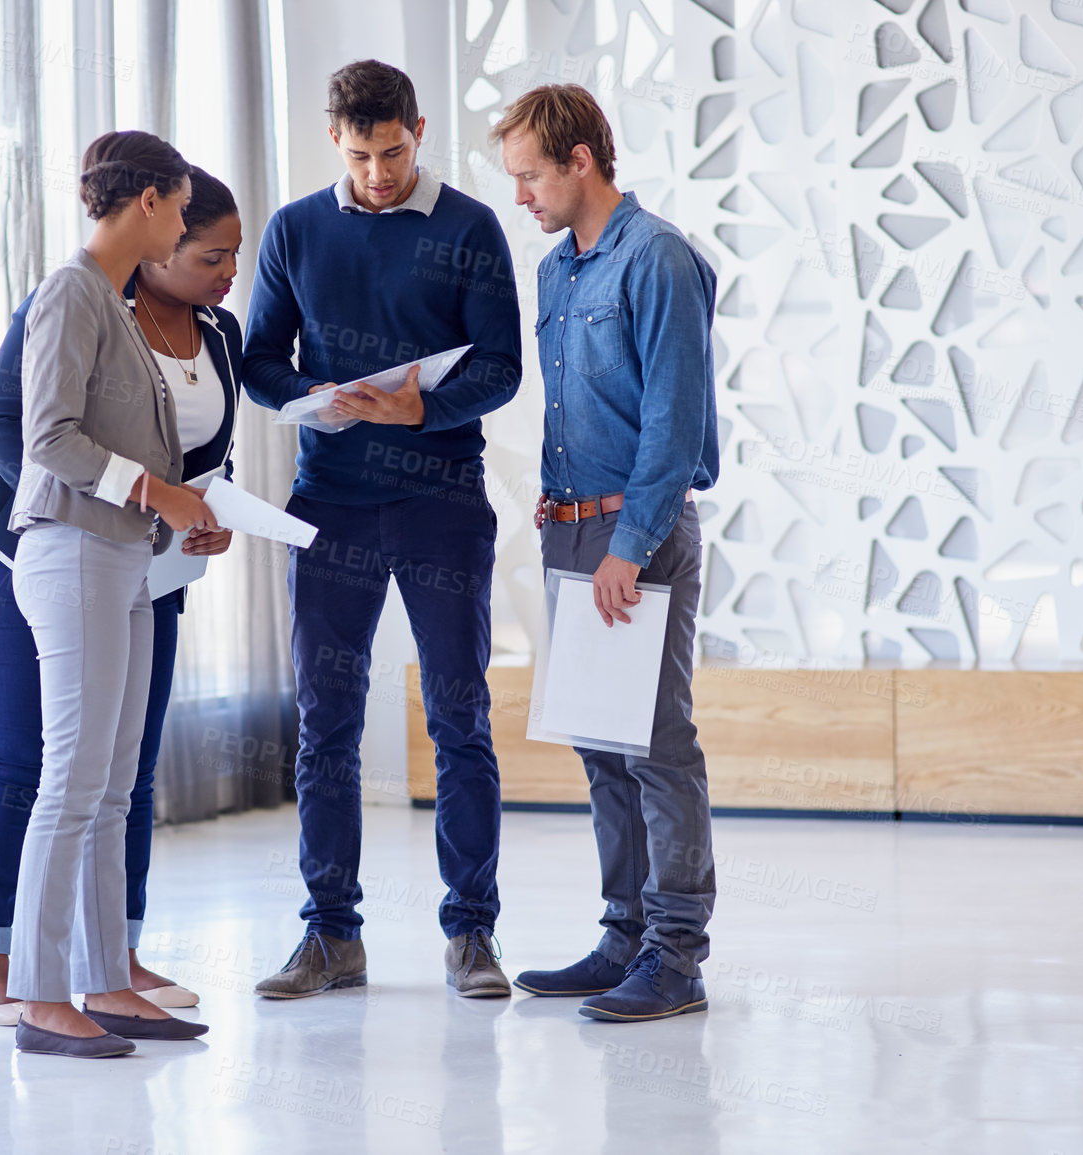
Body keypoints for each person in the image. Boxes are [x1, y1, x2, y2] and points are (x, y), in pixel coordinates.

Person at [243, 60, 523, 1000]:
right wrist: (310, 397)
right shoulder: (294, 229)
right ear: (335, 139)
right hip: (327, 501)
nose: (376, 172)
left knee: (458, 719)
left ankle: (472, 936)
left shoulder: (471, 227)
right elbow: (257, 362)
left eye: (393, 151)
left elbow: (501, 370)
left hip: (442, 500)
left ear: (420, 128)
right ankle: (329, 936)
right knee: (325, 725)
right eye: (360, 154)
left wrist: (417, 417)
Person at [0, 168, 247, 1026]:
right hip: (41, 542)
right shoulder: (76, 295)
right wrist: (128, 499)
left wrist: (193, 512)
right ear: (155, 211)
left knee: (118, 772)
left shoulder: (195, 328)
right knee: (39, 759)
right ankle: (5, 960)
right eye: (207, 247)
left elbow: (180, 455)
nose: (226, 269)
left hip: (137, 552)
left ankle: (105, 966)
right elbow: (27, 430)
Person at [491, 85, 719, 1022]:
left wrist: (630, 543)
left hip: (638, 532)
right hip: (570, 527)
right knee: (599, 744)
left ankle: (675, 954)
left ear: (580, 159)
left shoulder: (658, 259)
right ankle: (623, 935)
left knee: (655, 745)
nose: (521, 197)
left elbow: (673, 423)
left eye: (530, 175)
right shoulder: (556, 271)